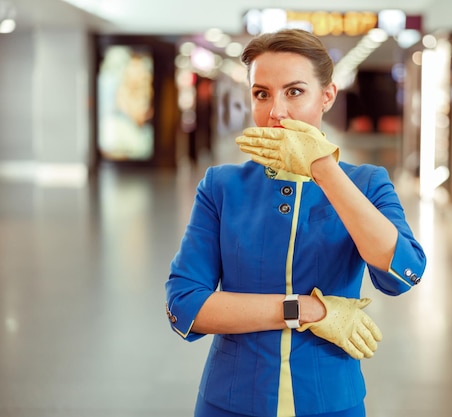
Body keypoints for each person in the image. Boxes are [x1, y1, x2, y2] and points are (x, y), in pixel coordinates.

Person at [165, 28, 427, 417]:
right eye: (262, 94)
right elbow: (185, 304)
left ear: (327, 96)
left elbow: (403, 272)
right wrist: (307, 310)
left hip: (331, 401)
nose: (276, 112)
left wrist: (322, 167)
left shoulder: (366, 183)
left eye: (294, 91)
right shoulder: (221, 186)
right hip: (232, 401)